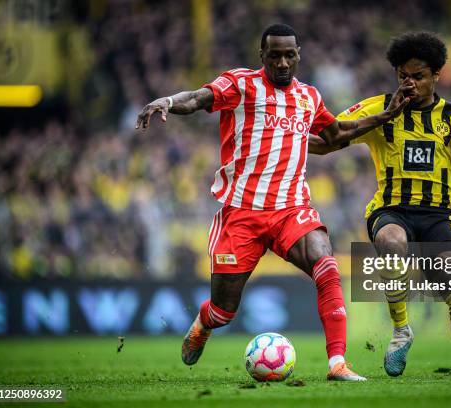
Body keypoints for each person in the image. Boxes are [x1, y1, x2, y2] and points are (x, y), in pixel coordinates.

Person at [136, 23, 410, 381]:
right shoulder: (240, 84)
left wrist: (383, 117)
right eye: (275, 55)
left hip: (291, 210)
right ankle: (205, 322)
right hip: (242, 214)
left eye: (289, 55)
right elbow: (198, 99)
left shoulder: (309, 97)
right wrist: (169, 101)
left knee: (325, 263)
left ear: (298, 56)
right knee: (224, 312)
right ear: (261, 56)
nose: (282, 62)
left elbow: (336, 133)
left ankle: (337, 364)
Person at [309, 31, 451, 380]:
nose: (409, 83)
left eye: (418, 76)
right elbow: (328, 139)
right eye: (403, 76)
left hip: (439, 213)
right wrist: (287, 142)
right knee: (391, 241)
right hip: (391, 209)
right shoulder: (378, 108)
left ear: (437, 74)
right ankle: (401, 330)